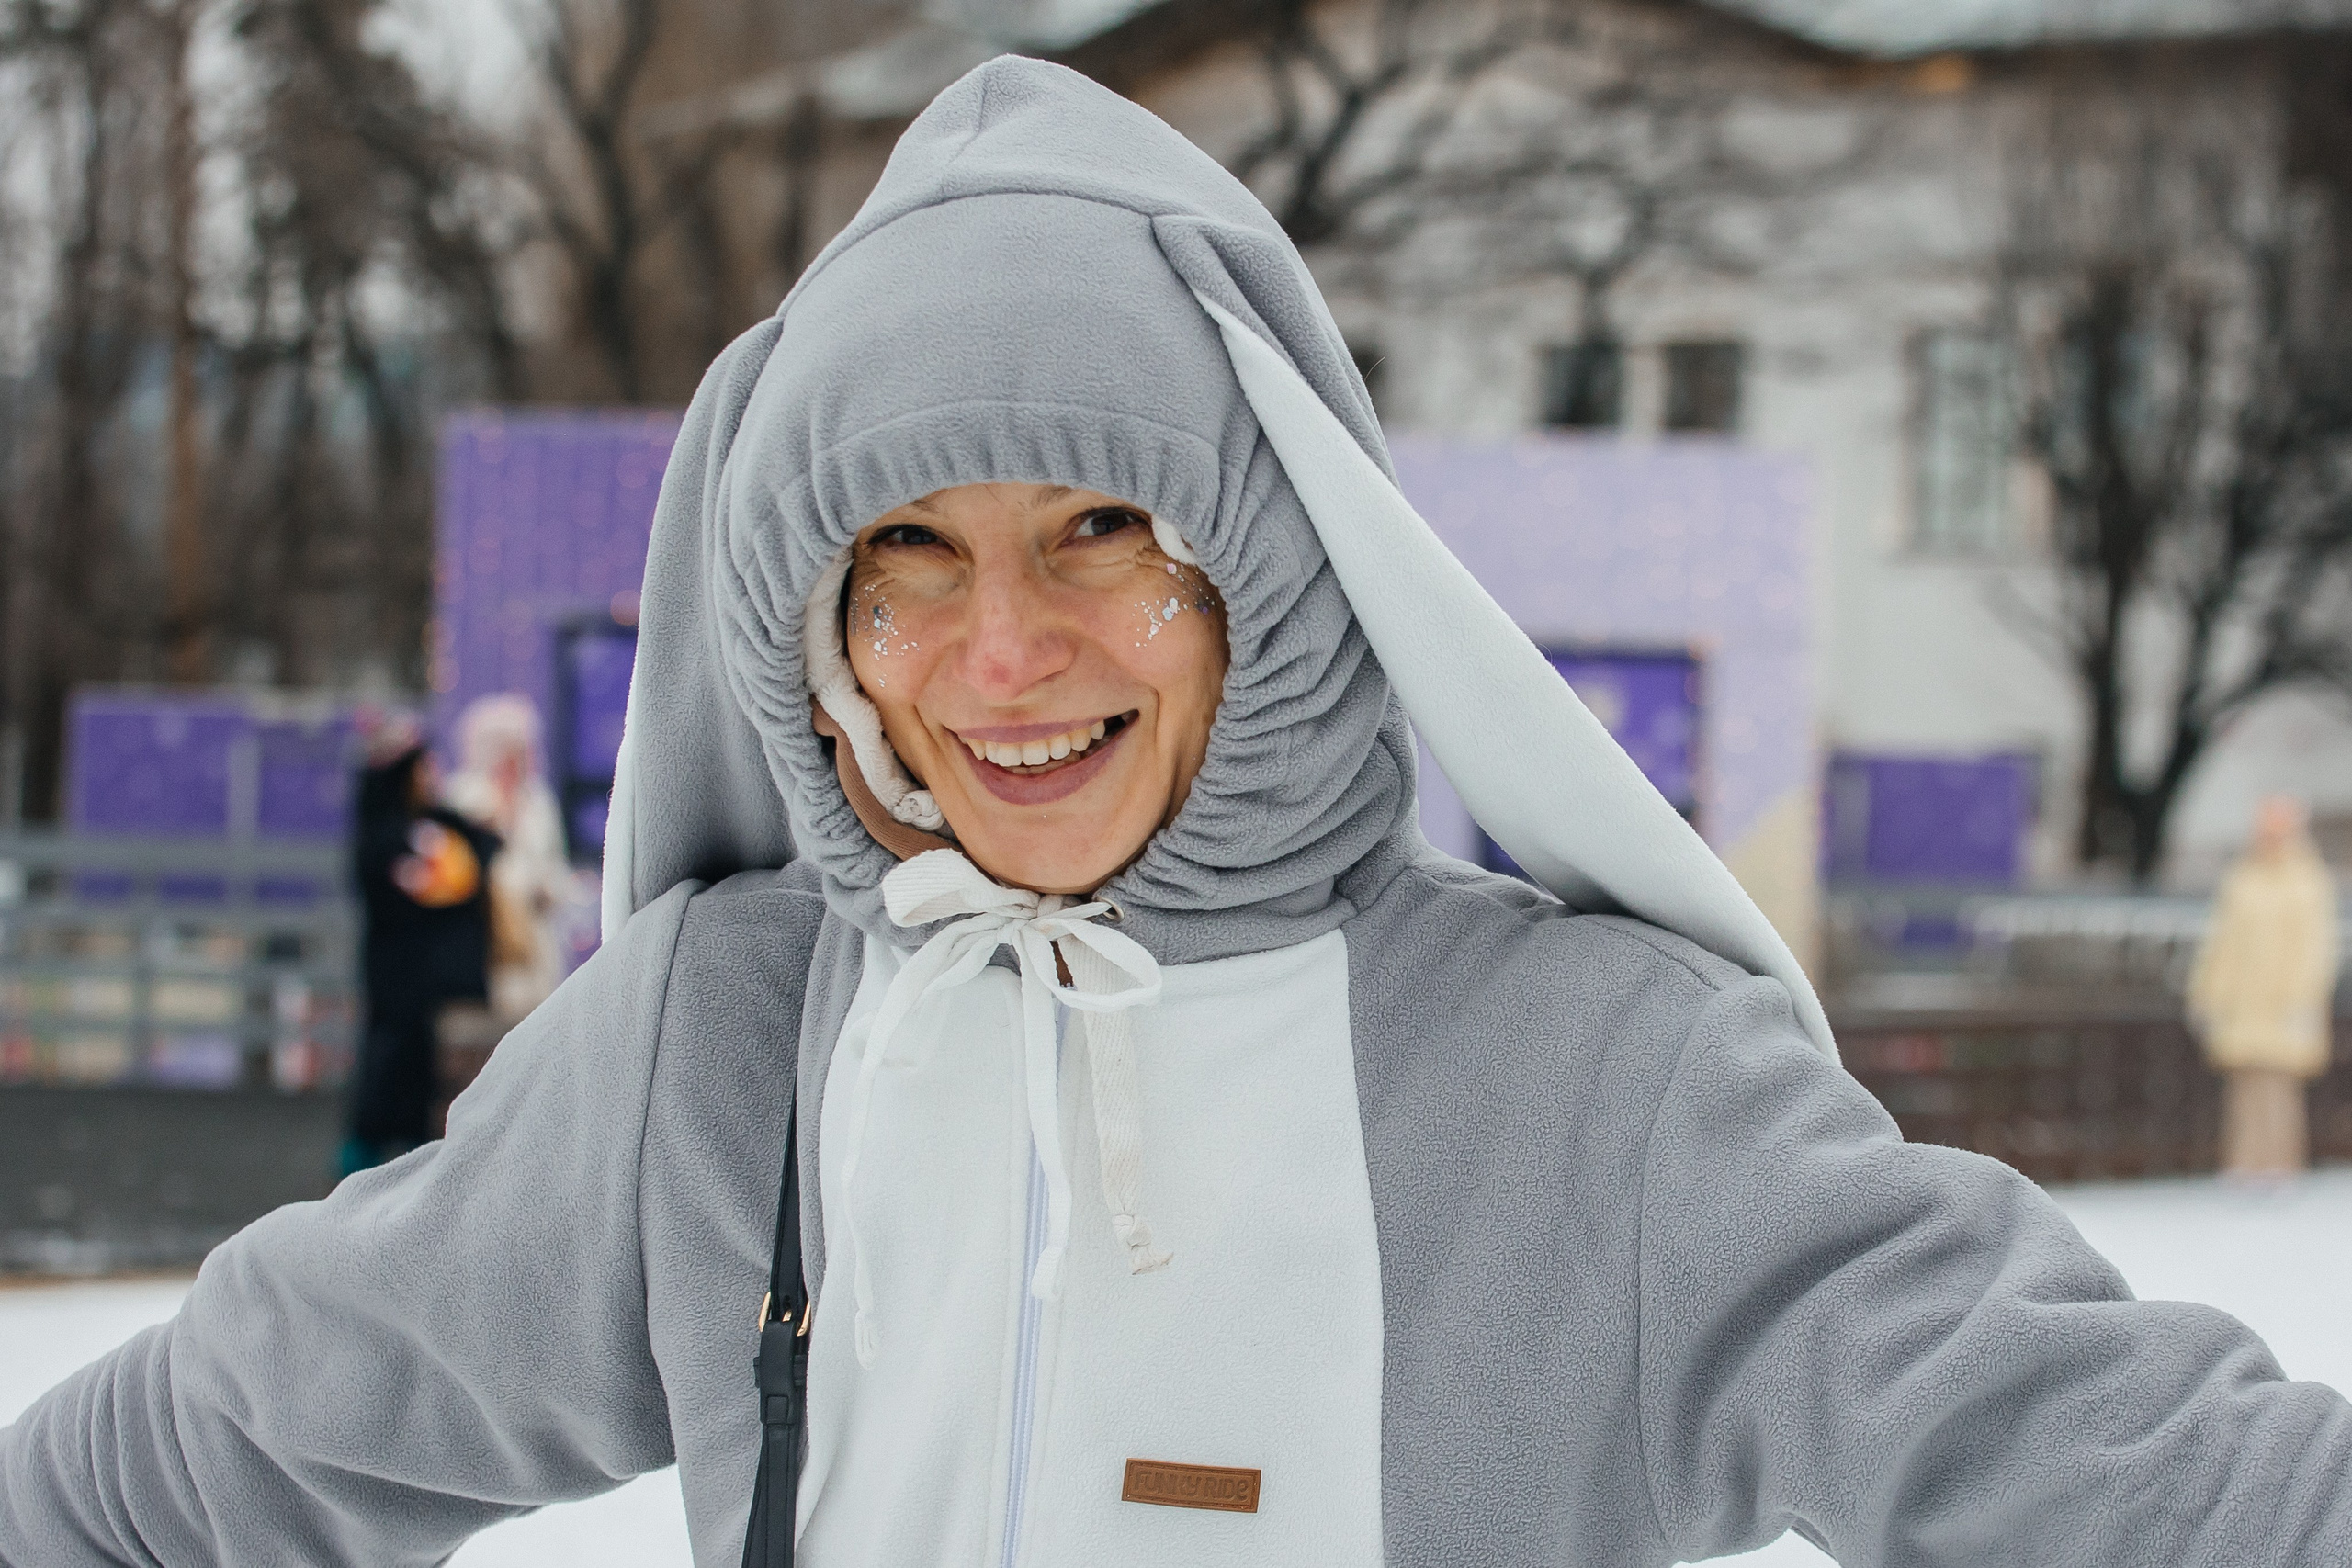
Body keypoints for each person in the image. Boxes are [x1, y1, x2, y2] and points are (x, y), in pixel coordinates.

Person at [7, 57, 2352, 1568]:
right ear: (815, 636)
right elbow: (206, 1451)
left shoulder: (1591, 1087)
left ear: (1272, 561)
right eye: (903, 561)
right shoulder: (714, 1048)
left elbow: (2137, 1478)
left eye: (1100, 533)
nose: (999, 656)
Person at [340, 723, 501, 1176]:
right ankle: (363, 1156)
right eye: (421, 768)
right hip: (395, 973)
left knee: (419, 1066)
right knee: (387, 1060)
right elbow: (432, 884)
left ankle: (410, 1158)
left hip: (422, 976)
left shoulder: (432, 825)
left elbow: (481, 851)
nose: (431, 775)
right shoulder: (386, 836)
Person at [2189, 794, 2342, 1181]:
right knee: (2244, 1087)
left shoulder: (2307, 880)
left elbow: (2315, 948)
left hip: (2281, 1004)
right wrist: (2208, 994)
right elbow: (2222, 943)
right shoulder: (2243, 877)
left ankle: (2279, 1163)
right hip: (2244, 1004)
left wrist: (2303, 999)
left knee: (2277, 1089)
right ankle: (2244, 1161)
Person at [444, 692, 575, 1021]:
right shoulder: (462, 799)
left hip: (534, 948)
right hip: (485, 947)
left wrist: (549, 888)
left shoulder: (539, 802)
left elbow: (555, 866)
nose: (521, 760)